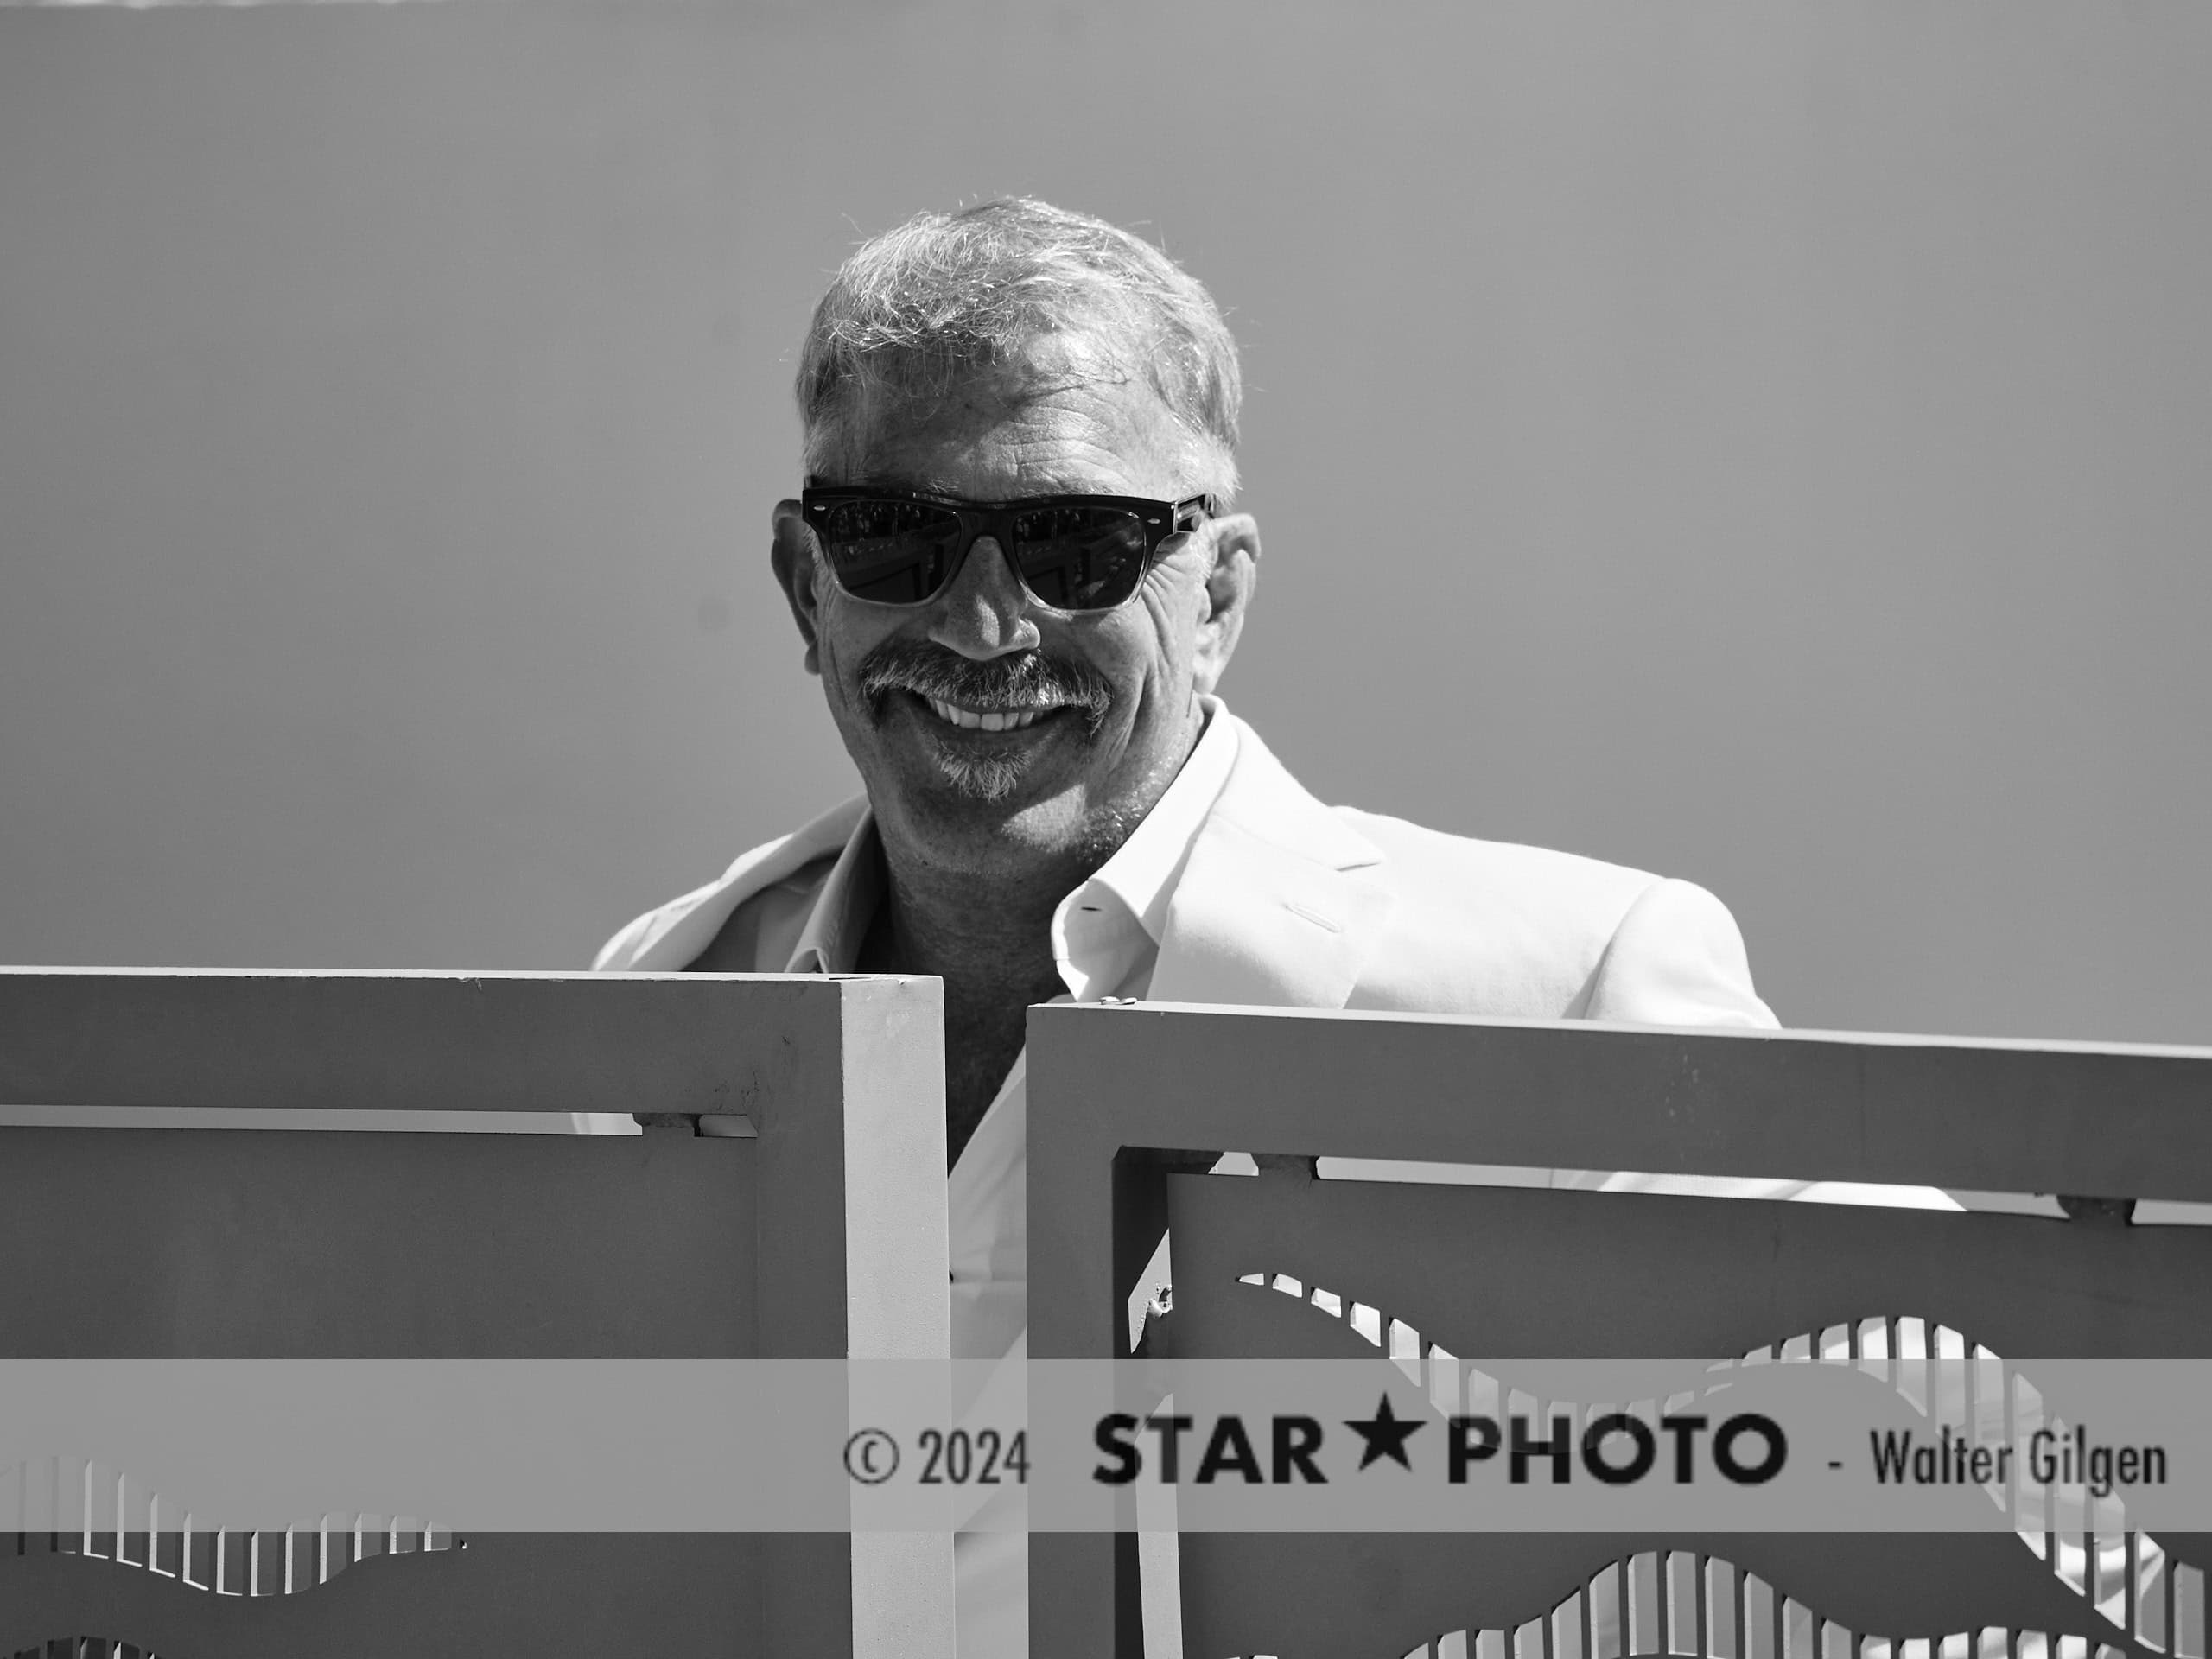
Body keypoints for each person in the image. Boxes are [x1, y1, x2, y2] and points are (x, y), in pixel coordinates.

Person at [575, 198, 1948, 1655]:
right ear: (806, 584)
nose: (985, 626)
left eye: (1076, 544)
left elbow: (2014, 1497)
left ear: (1216, 594)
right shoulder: (668, 992)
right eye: (895, 540)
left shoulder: (1564, 985)